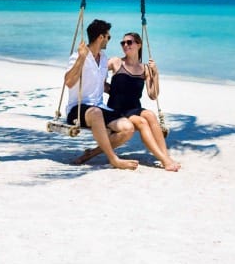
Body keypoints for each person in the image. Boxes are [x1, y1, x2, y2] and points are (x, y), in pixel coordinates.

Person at [75, 32, 181, 172]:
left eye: (129, 42)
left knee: (150, 115)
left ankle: (165, 156)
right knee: (142, 122)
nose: (125, 45)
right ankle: (165, 161)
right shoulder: (116, 62)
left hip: (134, 108)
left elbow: (153, 95)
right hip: (117, 110)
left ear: (139, 44)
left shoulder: (145, 68)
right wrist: (110, 89)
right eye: (123, 43)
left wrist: (156, 74)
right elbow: (96, 74)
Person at [64, 19, 138, 170]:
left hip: (99, 107)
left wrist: (125, 93)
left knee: (128, 128)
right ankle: (113, 159)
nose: (109, 40)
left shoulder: (104, 58)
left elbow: (102, 85)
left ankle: (91, 154)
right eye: (108, 37)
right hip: (77, 109)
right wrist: (81, 58)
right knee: (96, 112)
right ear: (100, 37)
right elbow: (69, 82)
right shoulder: (77, 56)